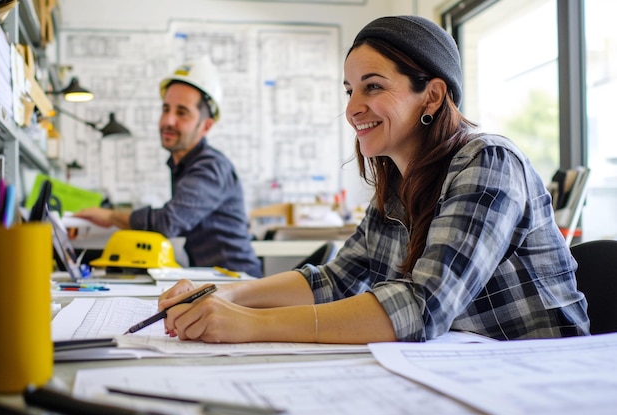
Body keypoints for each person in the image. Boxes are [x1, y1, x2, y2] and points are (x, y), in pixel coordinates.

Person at [156, 16, 590, 344]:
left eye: (373, 87)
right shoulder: (398, 183)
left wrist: (250, 325)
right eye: (350, 91)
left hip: (536, 372)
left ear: (433, 95)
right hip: (459, 367)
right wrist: (224, 294)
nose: (352, 108)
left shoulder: (489, 161)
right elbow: (337, 279)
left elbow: (421, 307)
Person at [75, 57, 263, 278]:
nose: (168, 121)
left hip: (237, 284)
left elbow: (168, 222)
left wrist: (110, 216)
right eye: (166, 109)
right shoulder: (184, 164)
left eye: (182, 112)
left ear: (206, 126)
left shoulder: (210, 167)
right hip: (215, 280)